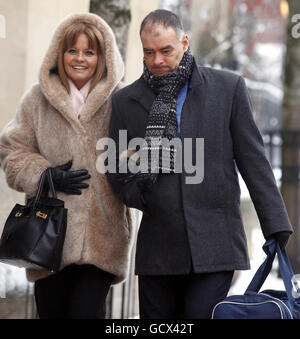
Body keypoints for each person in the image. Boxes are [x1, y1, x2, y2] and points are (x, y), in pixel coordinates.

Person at [107, 9, 293, 319]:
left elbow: (254, 161)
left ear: (184, 42)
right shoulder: (126, 101)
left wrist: (275, 224)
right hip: (159, 246)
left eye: (166, 50)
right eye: (149, 52)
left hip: (215, 240)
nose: (157, 60)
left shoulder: (227, 88)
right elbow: (115, 170)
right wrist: (142, 195)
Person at [0, 13, 133, 319]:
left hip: (103, 237)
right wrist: (45, 173)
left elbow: (137, 153)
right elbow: (10, 149)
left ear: (103, 56)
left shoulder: (123, 99)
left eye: (90, 51)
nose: (80, 59)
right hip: (47, 238)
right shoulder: (36, 99)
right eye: (72, 50)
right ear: (59, 54)